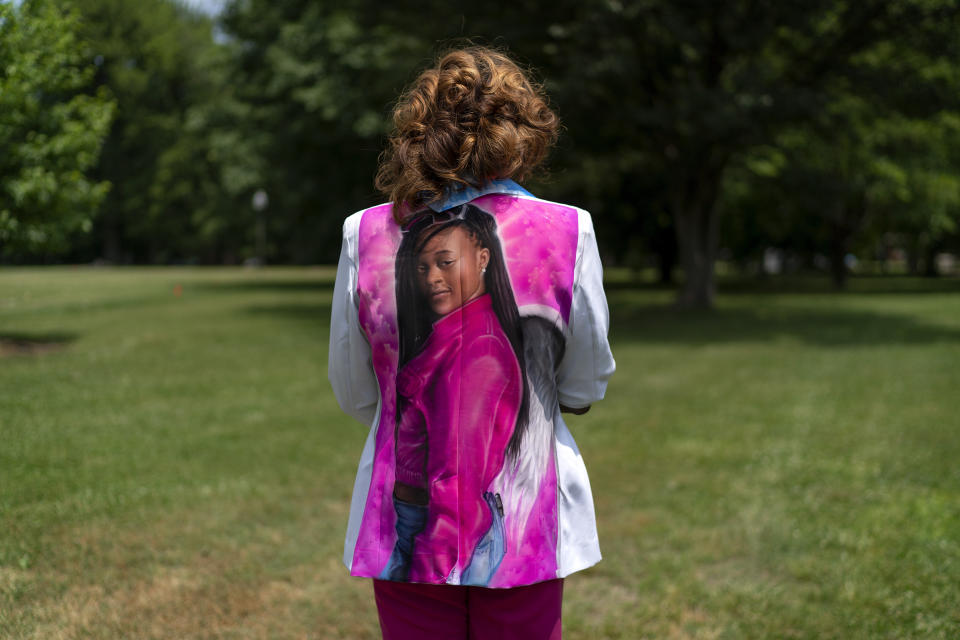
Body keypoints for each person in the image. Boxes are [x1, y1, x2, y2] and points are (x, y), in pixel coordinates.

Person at [328, 46, 615, 640]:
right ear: (522, 129)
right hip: (523, 520)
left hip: (407, 518)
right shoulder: (568, 229)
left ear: (418, 129)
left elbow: (357, 391)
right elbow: (584, 381)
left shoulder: (367, 230)